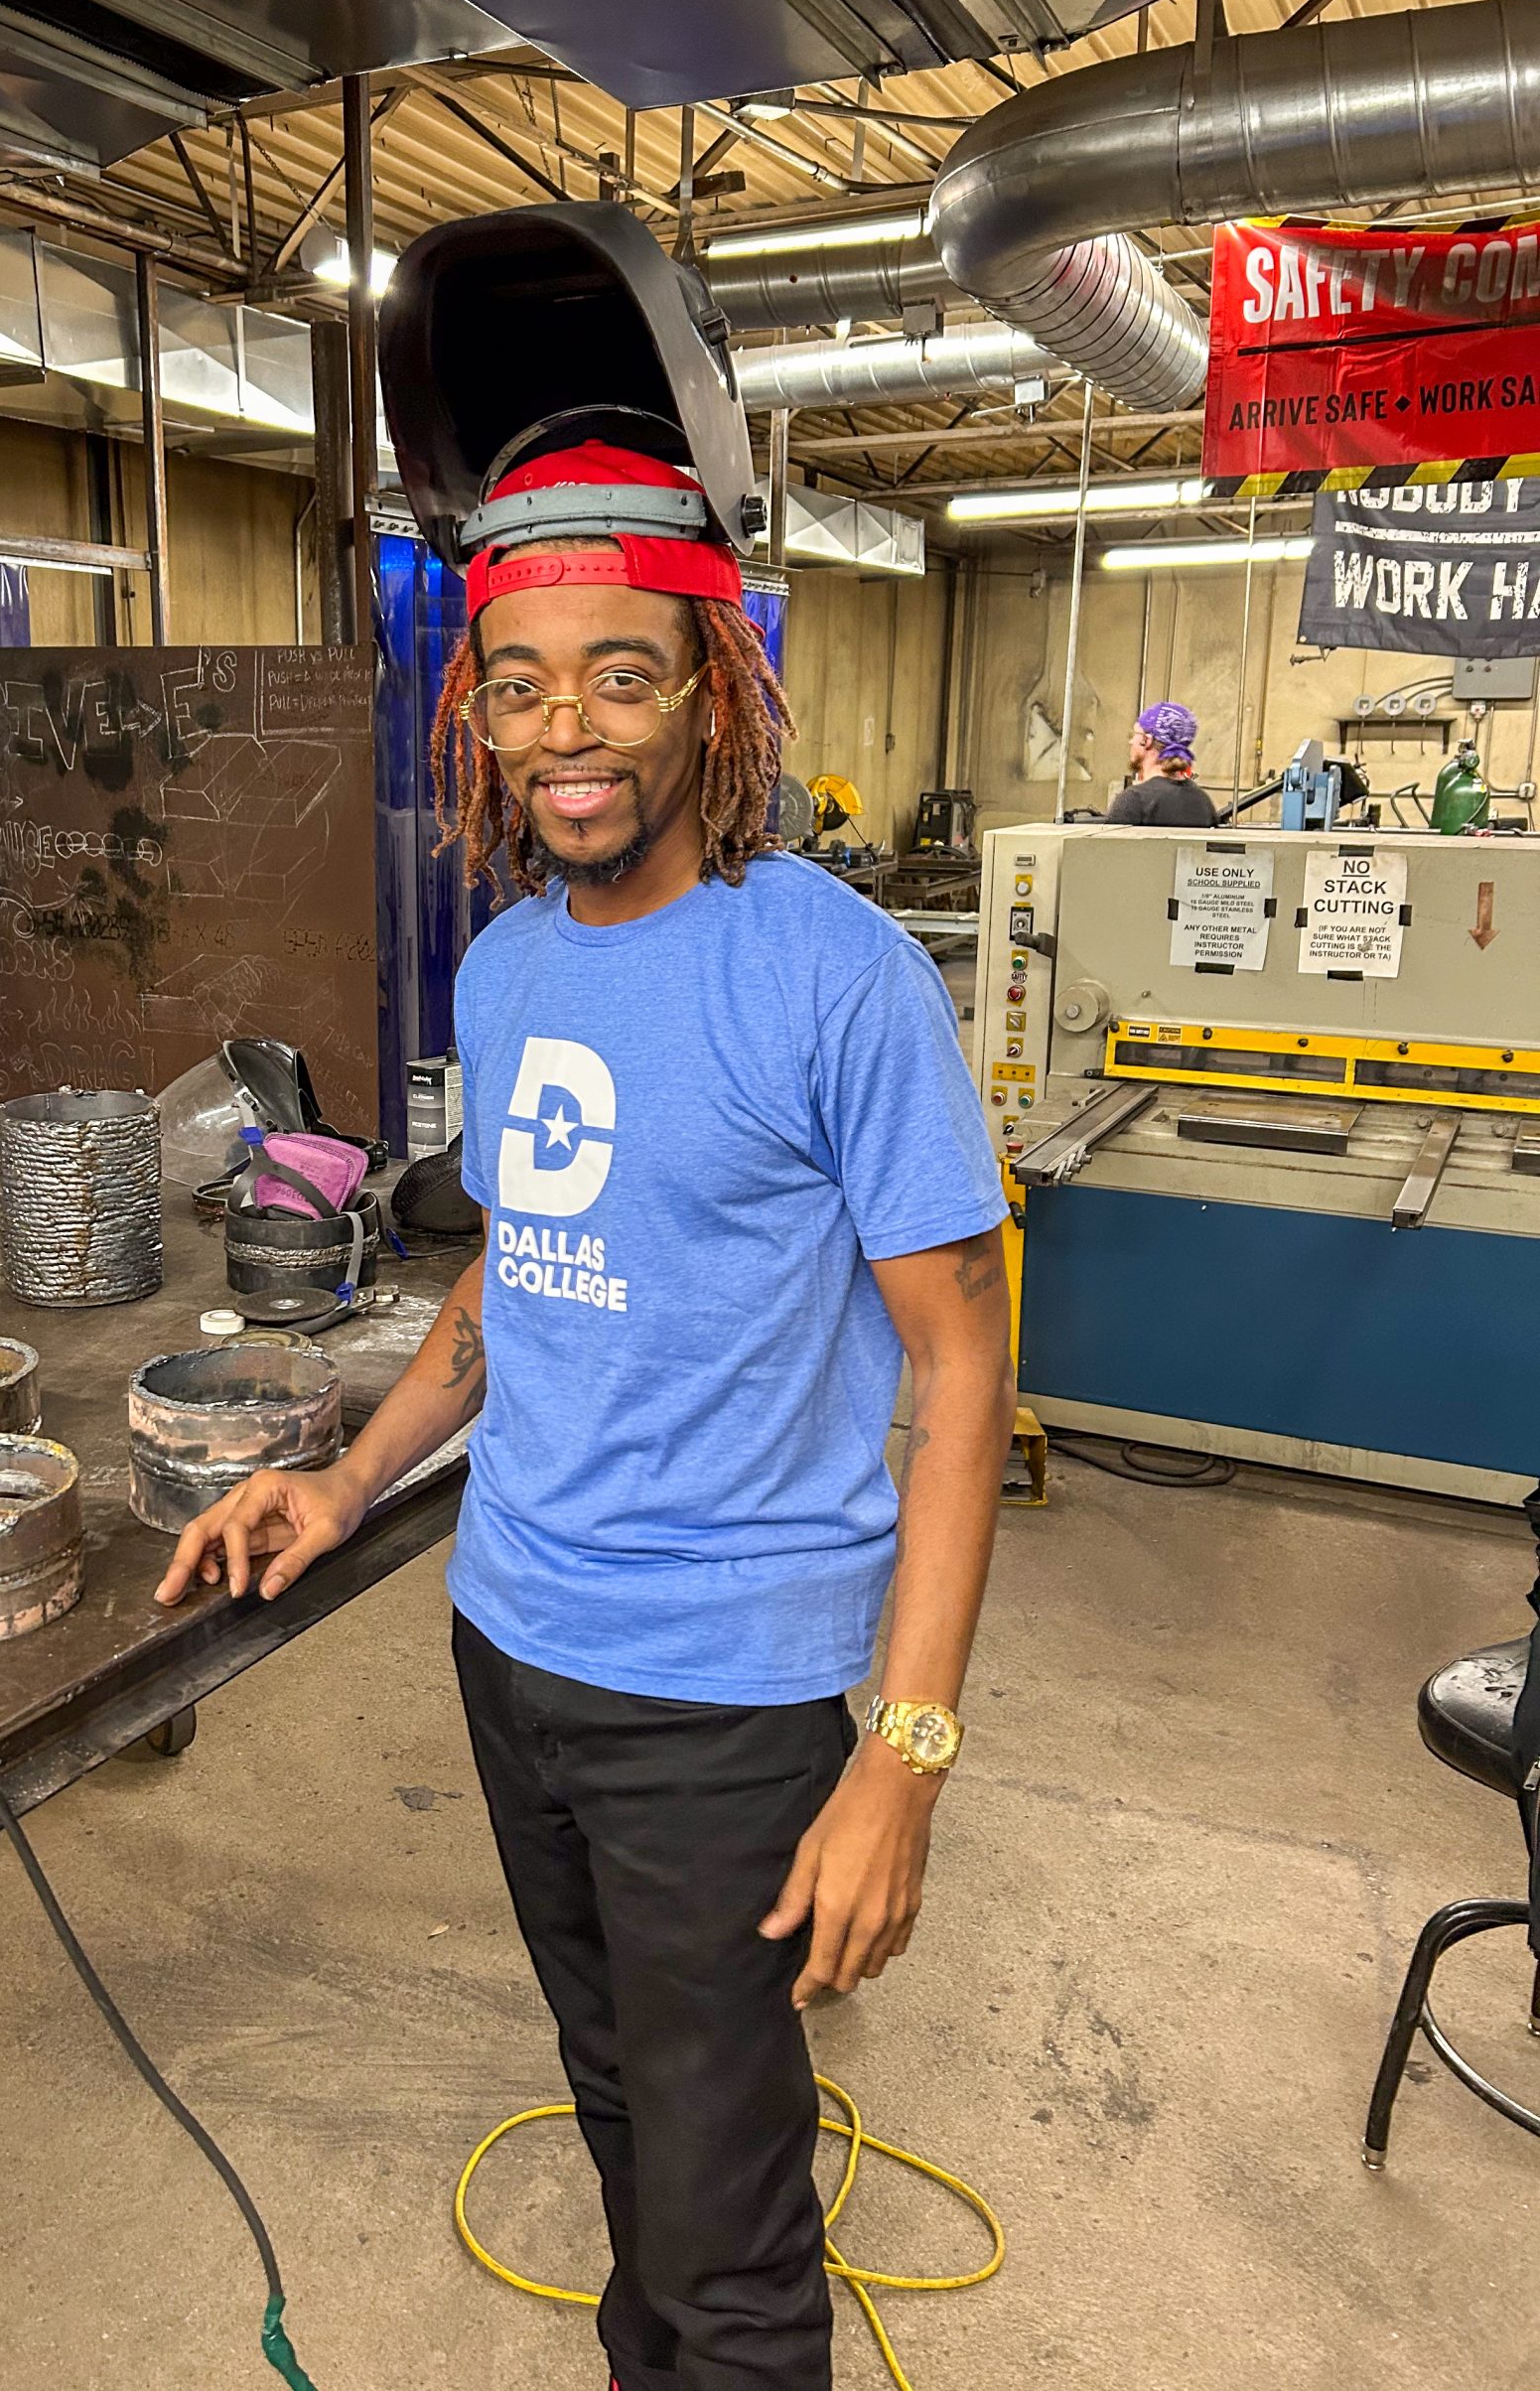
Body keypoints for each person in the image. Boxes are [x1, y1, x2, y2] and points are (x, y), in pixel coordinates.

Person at [155, 437, 1015, 2391]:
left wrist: (906, 1754)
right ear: (474, 707)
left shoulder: (835, 975)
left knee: (728, 2246)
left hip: (722, 1696)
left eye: (621, 672)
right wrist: (344, 1471)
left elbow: (965, 1370)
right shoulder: (519, 963)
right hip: (510, 1640)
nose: (571, 726)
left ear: (710, 692)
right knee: (625, 2115)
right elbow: (508, 1273)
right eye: (522, 677)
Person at [1103, 699, 1219, 825]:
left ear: (1146, 741)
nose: (1131, 741)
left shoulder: (1134, 801)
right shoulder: (1203, 802)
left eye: (1134, 734)